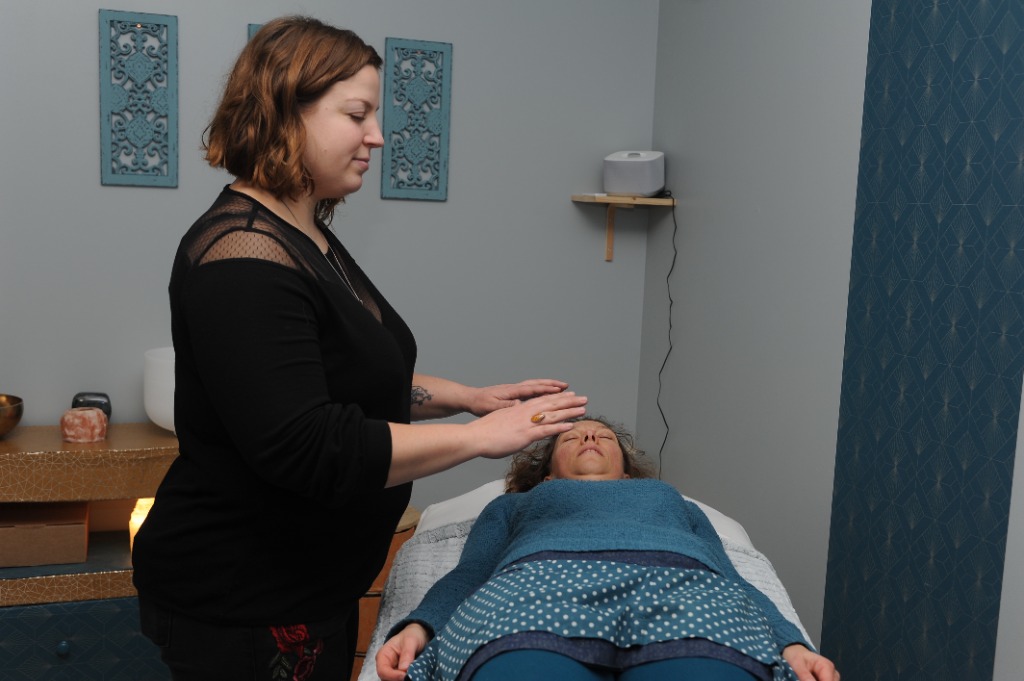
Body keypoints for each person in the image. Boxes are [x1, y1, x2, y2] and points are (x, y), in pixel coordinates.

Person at [131, 16, 587, 681]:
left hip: (306, 582)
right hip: (245, 597)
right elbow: (310, 443)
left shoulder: (301, 228)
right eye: (357, 114)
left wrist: (464, 397)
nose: (377, 135)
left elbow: (336, 376)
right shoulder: (244, 258)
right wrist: (479, 437)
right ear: (286, 111)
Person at [377, 418, 839, 681]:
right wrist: (419, 626)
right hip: (538, 594)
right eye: (571, 436)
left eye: (603, 435)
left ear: (627, 473)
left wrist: (791, 642)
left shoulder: (669, 499)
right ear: (548, 476)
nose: (589, 437)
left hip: (685, 593)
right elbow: (472, 572)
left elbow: (731, 579)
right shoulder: (516, 503)